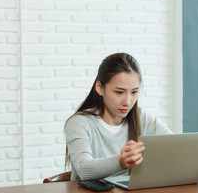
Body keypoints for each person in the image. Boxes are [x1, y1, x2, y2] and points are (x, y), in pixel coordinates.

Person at [64, 53, 172, 181]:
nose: (128, 101)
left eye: (134, 92)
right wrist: (121, 161)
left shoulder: (142, 118)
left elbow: (176, 146)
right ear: (100, 88)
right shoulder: (79, 123)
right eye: (119, 92)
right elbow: (84, 169)